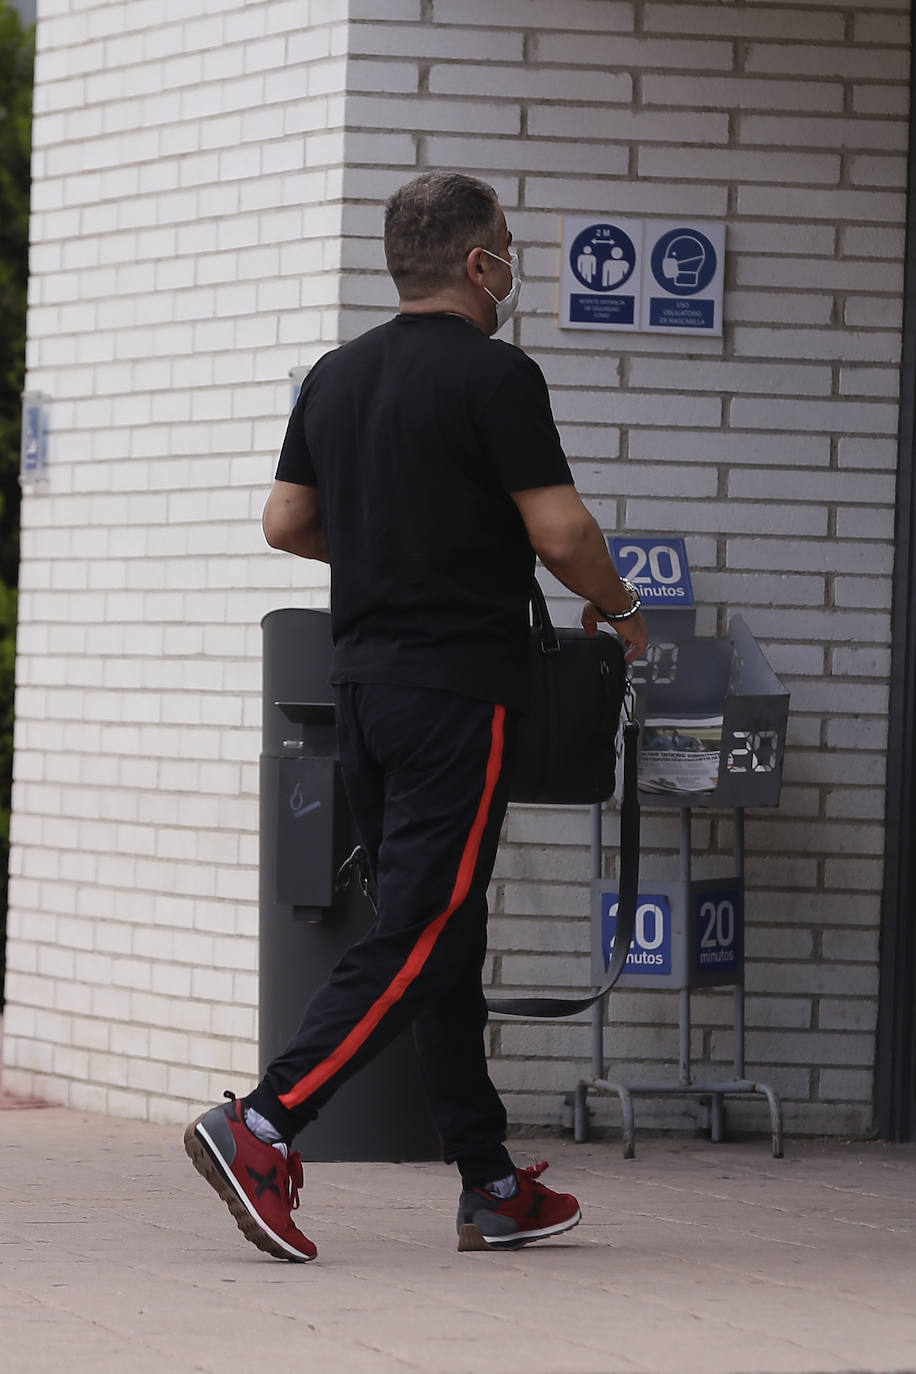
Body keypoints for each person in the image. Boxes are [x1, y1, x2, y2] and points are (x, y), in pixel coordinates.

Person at [184, 171, 649, 1263]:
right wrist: (622, 611)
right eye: (510, 249)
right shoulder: (497, 376)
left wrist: (399, 547)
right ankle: (263, 1124)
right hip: (454, 691)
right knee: (426, 925)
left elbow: (285, 522)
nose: (514, 267)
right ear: (480, 264)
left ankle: (488, 1180)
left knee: (446, 931)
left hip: (365, 690)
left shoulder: (337, 379)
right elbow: (562, 532)